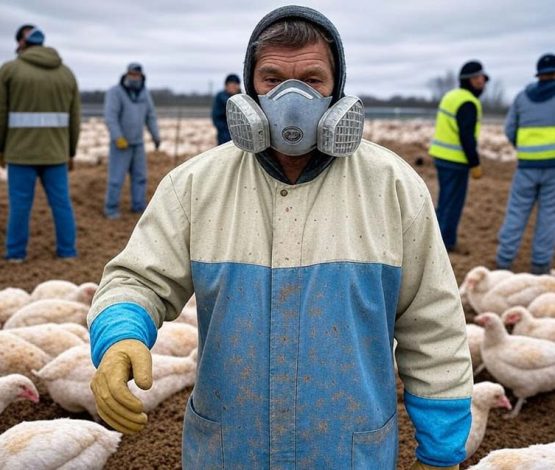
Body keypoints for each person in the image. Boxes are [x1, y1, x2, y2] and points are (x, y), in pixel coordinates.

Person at [88, 6, 472, 469]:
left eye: (313, 80)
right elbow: (137, 280)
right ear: (250, 91)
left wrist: (443, 451)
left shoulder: (392, 188)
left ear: (338, 92)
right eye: (272, 80)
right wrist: (120, 338)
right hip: (230, 452)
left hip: (346, 453)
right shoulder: (195, 185)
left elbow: (433, 325)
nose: (293, 97)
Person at [0, 25, 80, 262]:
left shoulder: (10, 71)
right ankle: (67, 251)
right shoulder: (66, 74)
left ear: (21, 43)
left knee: (20, 206)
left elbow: (1, 113)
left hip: (20, 153)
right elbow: (75, 118)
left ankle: (16, 254)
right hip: (56, 154)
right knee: (61, 204)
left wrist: (1, 148)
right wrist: (70, 152)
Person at [496, 53, 555, 274]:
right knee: (549, 216)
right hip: (553, 169)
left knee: (516, 212)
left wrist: (524, 148)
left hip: (526, 166)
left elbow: (509, 129)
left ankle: (504, 261)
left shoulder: (522, 97)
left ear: (538, 73)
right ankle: (540, 265)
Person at [429, 61, 489, 252]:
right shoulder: (468, 102)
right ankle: (444, 243)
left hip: (441, 157)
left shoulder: (451, 96)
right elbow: (466, 136)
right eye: (479, 78)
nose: (483, 82)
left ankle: (437, 238)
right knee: (452, 204)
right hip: (456, 160)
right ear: (469, 80)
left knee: (445, 200)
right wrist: (475, 163)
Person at [103, 63, 160, 219]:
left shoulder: (144, 94)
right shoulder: (115, 92)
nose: (134, 77)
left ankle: (138, 206)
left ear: (141, 77)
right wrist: (117, 137)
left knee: (140, 177)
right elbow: (110, 117)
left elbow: (151, 116)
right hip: (121, 144)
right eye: (132, 74)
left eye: (137, 75)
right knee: (116, 178)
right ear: (126, 75)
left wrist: (156, 136)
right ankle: (111, 209)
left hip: (138, 143)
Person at [211, 73, 241, 145]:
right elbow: (216, 117)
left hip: (241, 135)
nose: (233, 87)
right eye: (231, 85)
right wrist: (225, 132)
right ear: (226, 86)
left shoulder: (242, 97)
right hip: (225, 134)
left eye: (235, 85)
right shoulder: (221, 97)